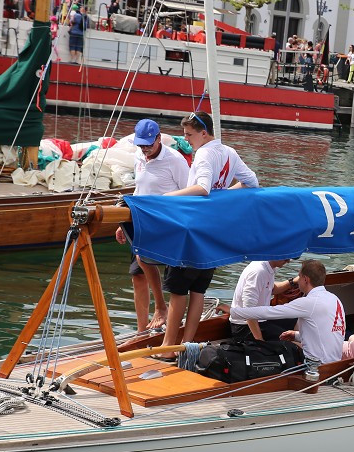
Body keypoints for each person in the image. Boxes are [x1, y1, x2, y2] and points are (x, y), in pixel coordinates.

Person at [159, 111, 259, 349]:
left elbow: (202, 188)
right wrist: (223, 195)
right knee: (198, 289)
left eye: (190, 135)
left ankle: (167, 348)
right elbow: (251, 182)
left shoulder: (204, 153)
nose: (187, 141)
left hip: (193, 228)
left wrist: (166, 197)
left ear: (204, 133)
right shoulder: (230, 152)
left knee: (178, 290)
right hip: (214, 231)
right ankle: (187, 344)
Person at [116, 119, 191, 331]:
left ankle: (161, 308)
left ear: (159, 138)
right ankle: (142, 330)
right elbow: (140, 191)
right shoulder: (139, 156)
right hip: (142, 220)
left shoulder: (175, 160)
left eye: (149, 144)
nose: (145, 149)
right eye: (141, 145)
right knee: (137, 276)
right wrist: (124, 223)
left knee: (144, 259)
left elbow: (189, 193)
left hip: (167, 221)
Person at [219, 259, 346, 366]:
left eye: (299, 276)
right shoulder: (335, 299)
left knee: (285, 347)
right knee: (288, 336)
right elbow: (322, 333)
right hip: (334, 361)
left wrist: (232, 311)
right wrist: (296, 335)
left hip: (316, 365)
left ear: (305, 279)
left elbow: (270, 312)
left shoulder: (309, 302)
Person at [228, 259, 299, 341]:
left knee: (297, 320)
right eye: (286, 258)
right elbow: (248, 310)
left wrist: (293, 282)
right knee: (292, 340)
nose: (288, 261)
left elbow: (271, 289)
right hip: (244, 327)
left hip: (261, 319)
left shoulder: (268, 267)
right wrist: (260, 341)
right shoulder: (258, 271)